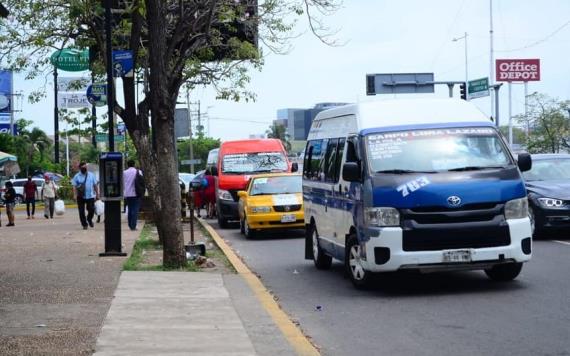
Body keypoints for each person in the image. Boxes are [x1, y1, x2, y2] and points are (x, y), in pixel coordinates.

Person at [72, 162, 99, 230]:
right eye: (83, 167)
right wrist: (75, 195)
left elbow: (95, 185)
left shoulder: (91, 175)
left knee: (91, 209)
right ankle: (84, 224)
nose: (85, 169)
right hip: (80, 196)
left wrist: (97, 194)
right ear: (80, 168)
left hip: (90, 196)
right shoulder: (77, 176)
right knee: (81, 211)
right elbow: (74, 186)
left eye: (86, 167)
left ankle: (89, 219)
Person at [123, 159, 142, 231]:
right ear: (134, 164)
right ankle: (133, 226)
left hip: (127, 194)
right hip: (136, 193)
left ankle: (130, 224)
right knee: (135, 210)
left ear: (128, 165)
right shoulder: (138, 172)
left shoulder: (124, 172)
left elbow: (123, 182)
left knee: (130, 209)